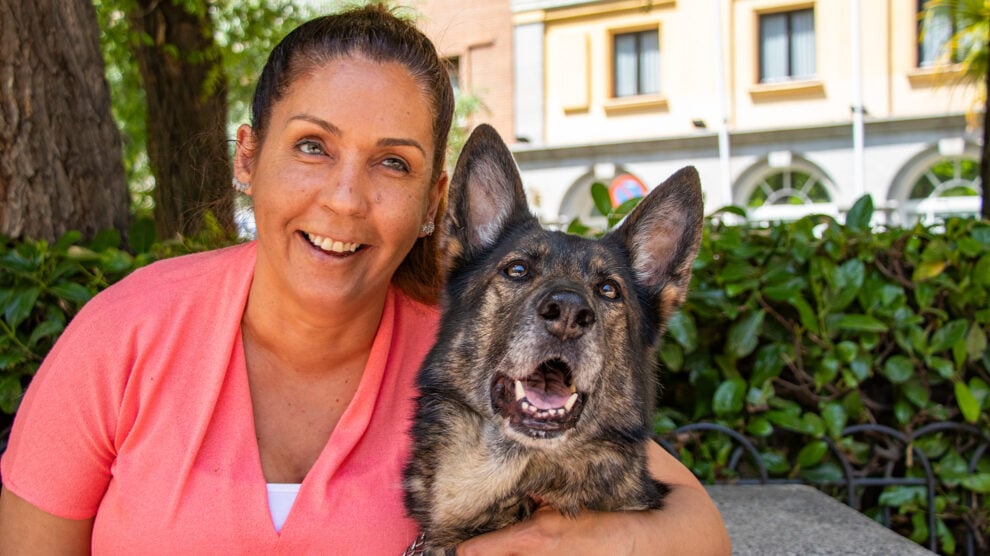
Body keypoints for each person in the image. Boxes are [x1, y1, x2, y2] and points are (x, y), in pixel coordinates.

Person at [0, 4, 730, 554]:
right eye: (313, 146)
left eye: (392, 163)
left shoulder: (475, 353)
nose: (345, 200)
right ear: (248, 158)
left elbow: (695, 528)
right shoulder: (122, 336)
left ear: (433, 205)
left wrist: (555, 544)